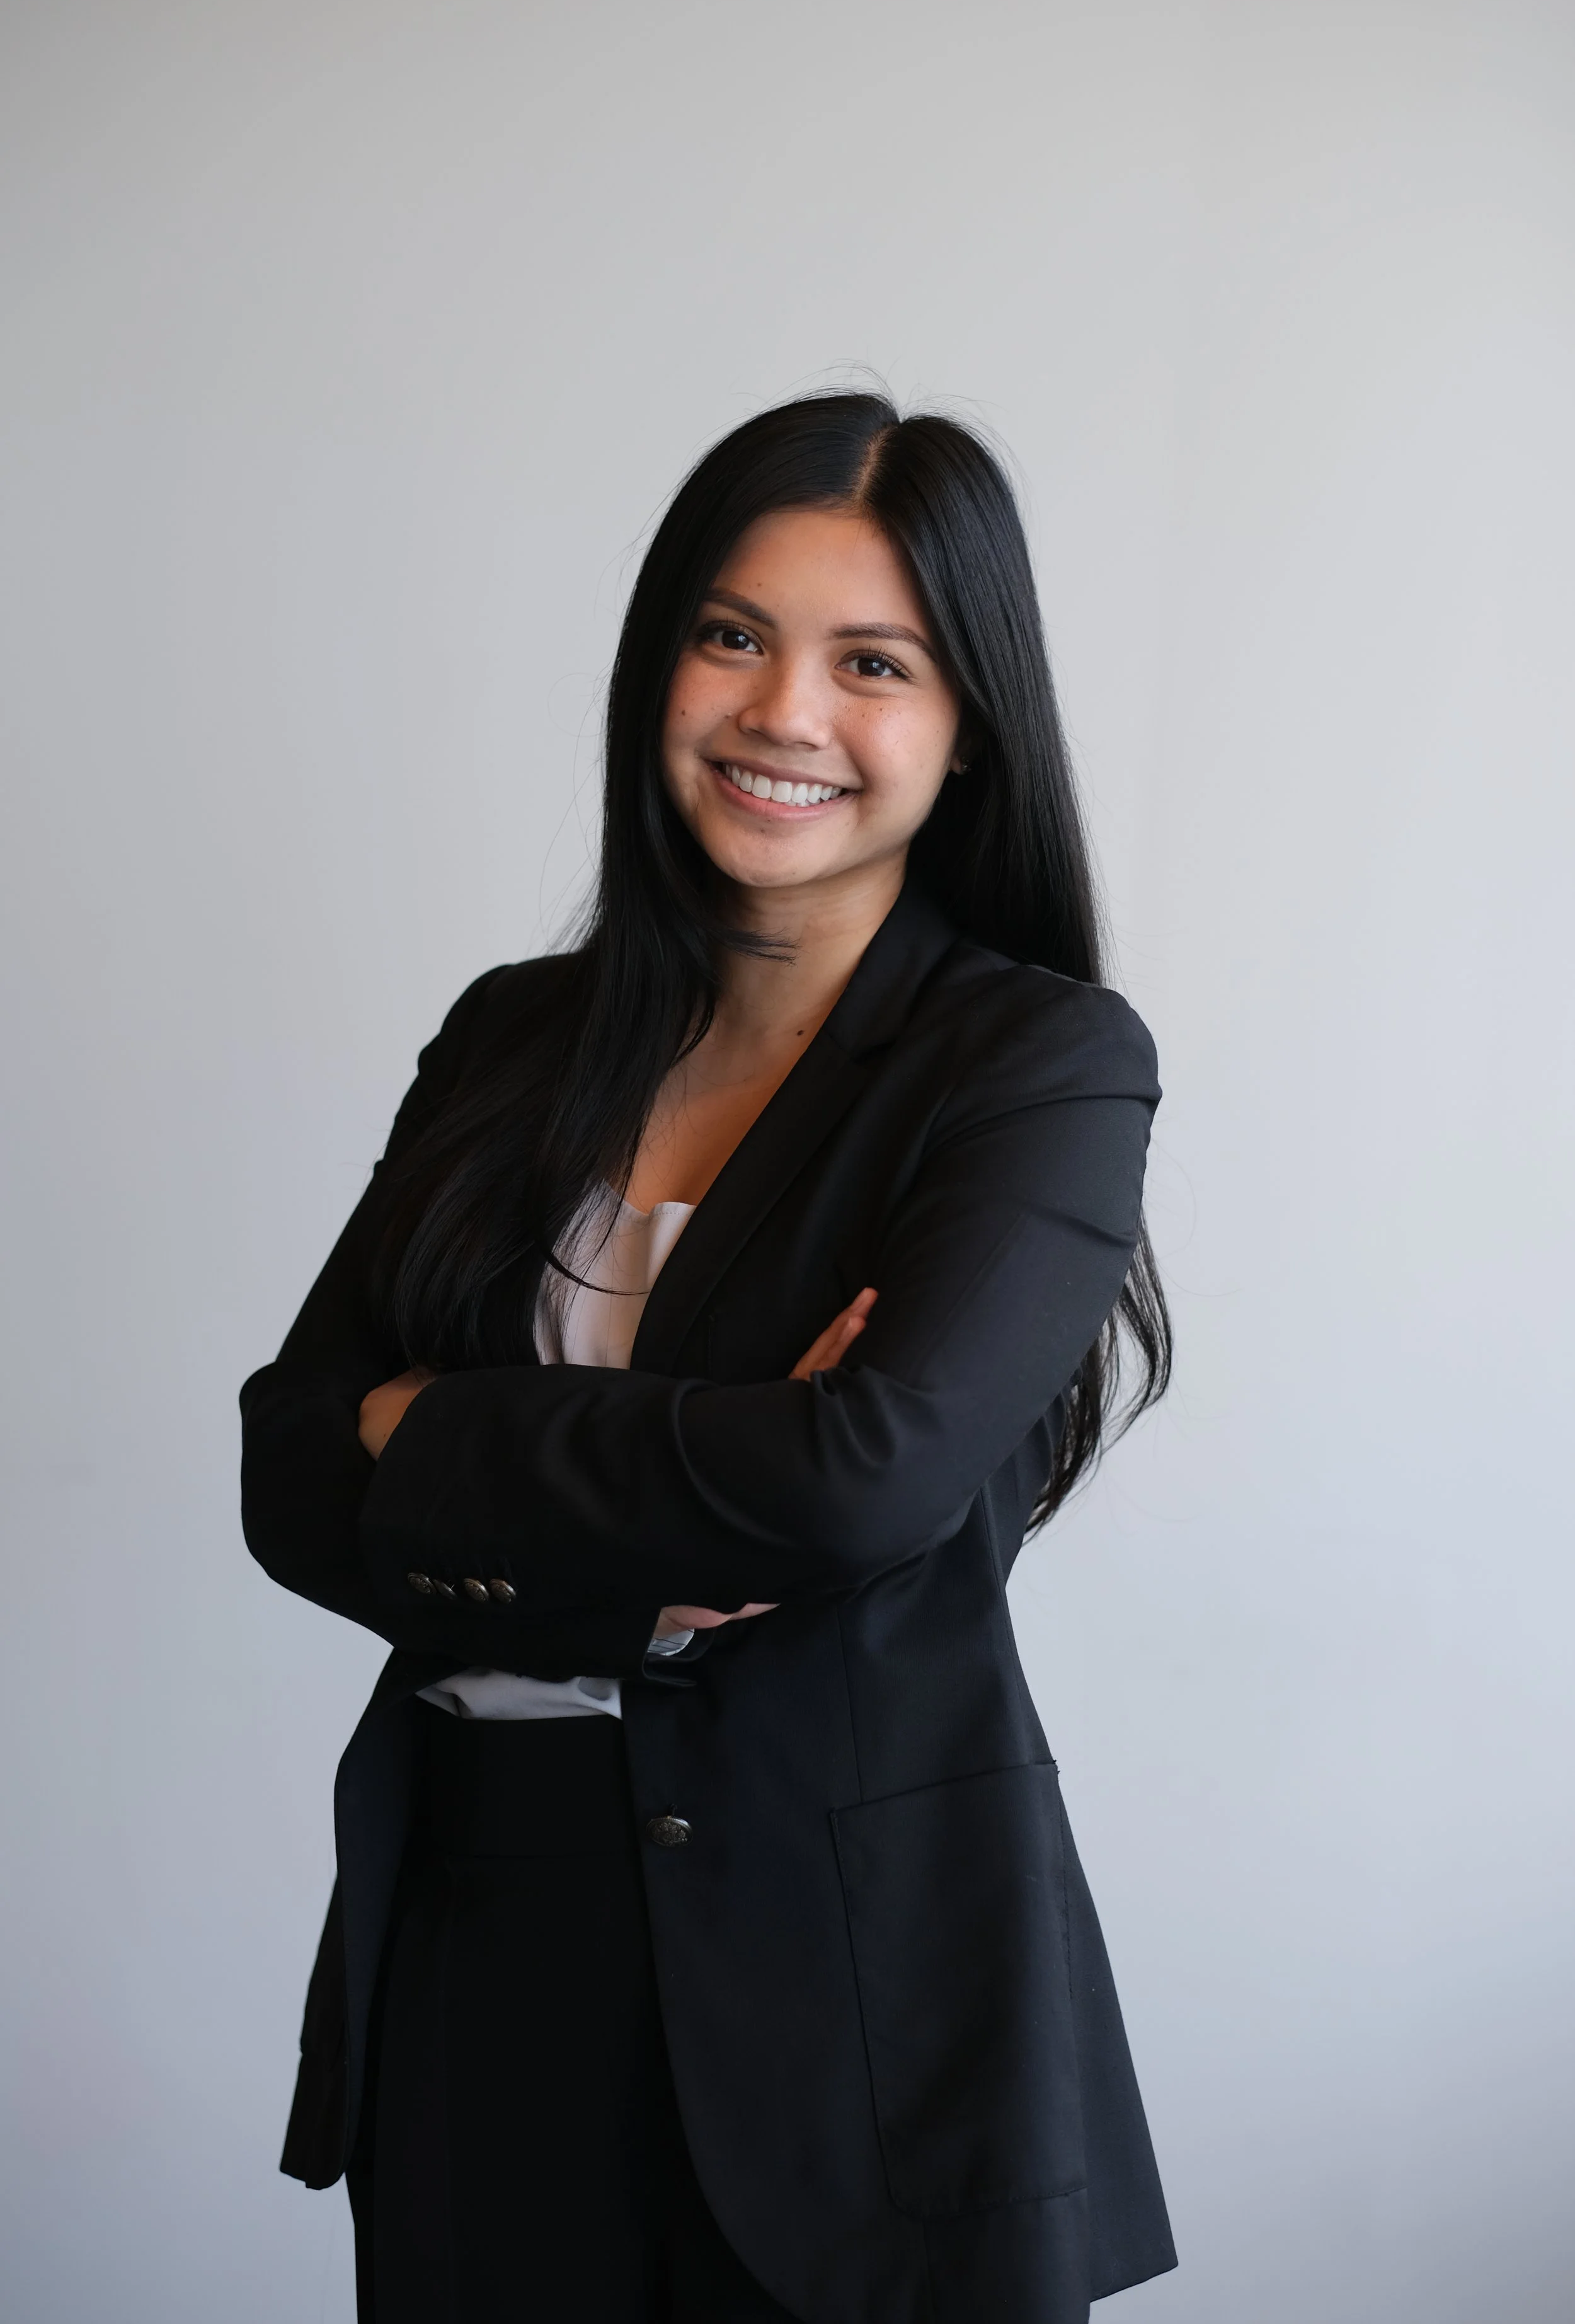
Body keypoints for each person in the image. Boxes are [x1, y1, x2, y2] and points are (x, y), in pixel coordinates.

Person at [240, 391, 1177, 2324]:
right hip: (478, 1926)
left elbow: (861, 1482)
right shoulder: (514, 1038)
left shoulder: (1034, 1063)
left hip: (853, 1988)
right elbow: (283, 1468)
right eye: (731, 634)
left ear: (965, 718)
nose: (784, 714)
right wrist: (696, 1462)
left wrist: (441, 1432)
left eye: (873, 662)